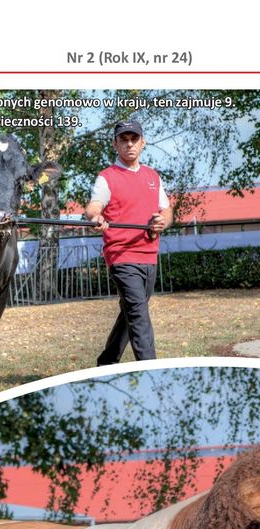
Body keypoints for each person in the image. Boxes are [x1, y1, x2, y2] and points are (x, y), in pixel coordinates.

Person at [84, 120, 173, 366]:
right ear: (115, 144)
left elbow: (166, 211)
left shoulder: (153, 176)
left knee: (131, 312)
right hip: (121, 256)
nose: (129, 143)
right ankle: (151, 372)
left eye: (134, 139)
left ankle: (107, 362)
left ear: (143, 143)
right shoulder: (107, 178)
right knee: (139, 315)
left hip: (149, 255)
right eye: (123, 139)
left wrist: (161, 222)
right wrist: (96, 217)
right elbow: (93, 207)